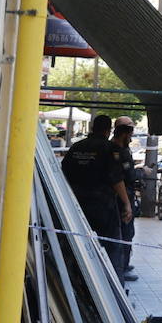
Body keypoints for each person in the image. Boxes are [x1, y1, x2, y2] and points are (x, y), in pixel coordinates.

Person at [61, 114, 131, 278]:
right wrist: (126, 203)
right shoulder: (109, 149)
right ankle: (114, 291)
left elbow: (63, 173)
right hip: (103, 207)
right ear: (109, 130)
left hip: (77, 205)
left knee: (78, 245)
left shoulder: (76, 147)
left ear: (93, 127)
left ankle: (78, 284)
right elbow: (116, 178)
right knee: (112, 248)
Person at [110, 117, 140, 281]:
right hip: (121, 198)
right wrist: (127, 204)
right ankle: (121, 269)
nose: (131, 137)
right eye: (130, 133)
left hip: (124, 196)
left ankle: (124, 265)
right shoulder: (116, 151)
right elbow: (119, 178)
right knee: (124, 232)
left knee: (127, 232)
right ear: (124, 133)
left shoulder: (122, 149)